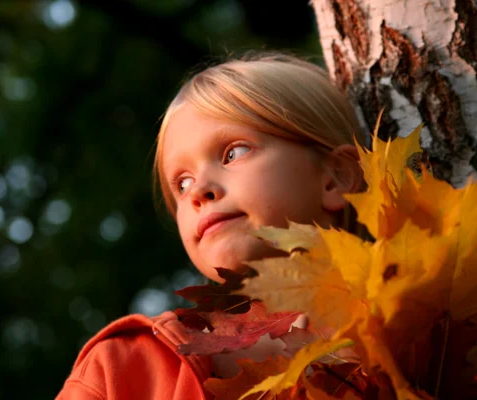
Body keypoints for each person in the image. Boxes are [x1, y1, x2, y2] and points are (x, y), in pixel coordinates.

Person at [56, 52, 365, 400]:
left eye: (233, 153)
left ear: (335, 178)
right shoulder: (121, 369)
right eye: (182, 184)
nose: (199, 192)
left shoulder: (414, 326)